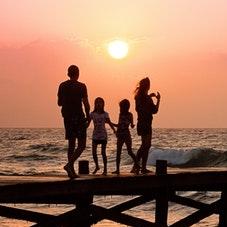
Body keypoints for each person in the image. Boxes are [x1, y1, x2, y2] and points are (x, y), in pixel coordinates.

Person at [57, 65, 90, 179]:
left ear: (68, 74)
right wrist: (88, 117)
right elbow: (86, 103)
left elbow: (59, 103)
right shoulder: (82, 86)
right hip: (78, 117)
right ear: (78, 74)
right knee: (81, 145)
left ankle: (71, 171)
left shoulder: (62, 85)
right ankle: (69, 165)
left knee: (71, 144)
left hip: (67, 117)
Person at [131, 77, 161, 174]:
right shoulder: (146, 98)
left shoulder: (138, 97)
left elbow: (139, 108)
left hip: (141, 123)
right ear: (147, 86)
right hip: (146, 123)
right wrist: (158, 100)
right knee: (146, 145)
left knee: (144, 145)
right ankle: (141, 167)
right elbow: (155, 110)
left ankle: (137, 166)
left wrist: (149, 96)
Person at [88, 97, 116, 175]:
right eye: (97, 102)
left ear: (103, 104)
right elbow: (87, 124)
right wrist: (82, 128)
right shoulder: (92, 114)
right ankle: (97, 166)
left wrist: (114, 130)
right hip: (95, 135)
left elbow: (109, 123)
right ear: (95, 104)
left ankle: (105, 170)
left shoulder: (105, 114)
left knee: (103, 153)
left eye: (100, 102)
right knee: (94, 153)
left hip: (103, 135)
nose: (98, 104)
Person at [112, 99, 139, 175]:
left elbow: (121, 125)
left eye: (121, 107)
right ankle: (117, 169)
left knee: (128, 151)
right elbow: (129, 125)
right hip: (121, 135)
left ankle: (137, 165)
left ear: (125, 107)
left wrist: (110, 123)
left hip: (125, 135)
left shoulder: (128, 115)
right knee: (120, 152)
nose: (120, 109)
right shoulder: (122, 114)